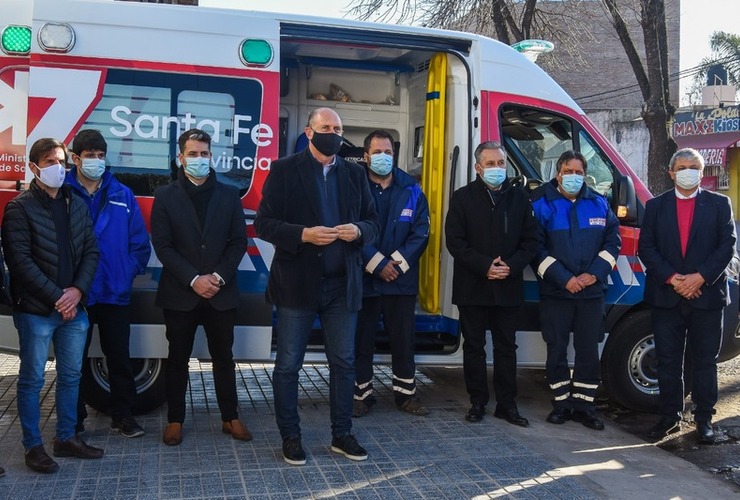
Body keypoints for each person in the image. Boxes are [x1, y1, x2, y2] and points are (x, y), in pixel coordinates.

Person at [254, 107, 379, 466]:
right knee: (289, 364)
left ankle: (342, 434)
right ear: (309, 132)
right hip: (297, 284)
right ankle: (290, 437)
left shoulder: (355, 173)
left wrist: (358, 231)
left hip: (342, 285)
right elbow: (264, 224)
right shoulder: (284, 170)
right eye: (326, 127)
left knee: (344, 363)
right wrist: (303, 235)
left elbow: (373, 223)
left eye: (338, 128)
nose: (333, 133)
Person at [2, 138, 102, 473]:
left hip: (73, 309)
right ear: (33, 167)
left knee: (71, 376)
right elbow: (20, 262)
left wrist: (77, 291)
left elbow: (91, 250)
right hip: (36, 311)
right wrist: (58, 297)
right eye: (49, 161)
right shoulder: (19, 208)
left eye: (61, 161)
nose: (57, 168)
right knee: (32, 379)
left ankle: (66, 438)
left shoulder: (76, 202)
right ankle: (33, 446)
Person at [151, 128, 251, 446]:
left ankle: (230, 417)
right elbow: (163, 246)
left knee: (224, 357)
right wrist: (194, 279)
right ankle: (175, 421)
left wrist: (217, 278)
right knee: (177, 358)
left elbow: (238, 243)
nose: (199, 159)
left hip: (221, 293)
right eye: (192, 154)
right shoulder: (165, 196)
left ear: (212, 156)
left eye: (204, 154)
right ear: (180, 158)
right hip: (181, 293)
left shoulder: (229, 194)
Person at [639, 148, 736, 443]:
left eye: (694, 166)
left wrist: (700, 278)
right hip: (666, 296)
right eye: (682, 166)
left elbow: (727, 246)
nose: (688, 171)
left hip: (706, 296)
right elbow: (647, 248)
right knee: (668, 360)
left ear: (702, 171)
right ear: (671, 172)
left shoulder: (720, 204)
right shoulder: (656, 207)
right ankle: (670, 416)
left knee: (706, 360)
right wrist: (672, 278)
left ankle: (704, 419)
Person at [444, 142, 539, 426]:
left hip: (508, 285)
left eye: (501, 163)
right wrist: (486, 265)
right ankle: (477, 402)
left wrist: (510, 266)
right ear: (478, 168)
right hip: (473, 286)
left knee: (506, 347)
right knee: (474, 347)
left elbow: (531, 241)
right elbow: (455, 243)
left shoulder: (520, 199)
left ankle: (507, 405)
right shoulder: (462, 199)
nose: (497, 169)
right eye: (491, 164)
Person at [67, 130, 151, 438]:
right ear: (76, 159)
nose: (96, 161)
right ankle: (72, 421)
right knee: (72, 361)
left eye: (101, 156)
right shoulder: (62, 192)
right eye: (90, 156)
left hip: (114, 291)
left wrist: (126, 272)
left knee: (119, 357)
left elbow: (139, 243)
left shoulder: (122, 194)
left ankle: (122, 416)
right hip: (77, 294)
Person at [530, 150, 620, 431]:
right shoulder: (540, 203)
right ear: (558, 174)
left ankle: (584, 405)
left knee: (587, 349)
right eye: (569, 171)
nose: (574, 177)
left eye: (579, 172)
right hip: (557, 292)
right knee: (556, 347)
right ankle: (561, 403)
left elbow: (612, 243)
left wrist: (593, 275)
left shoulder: (599, 203)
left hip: (591, 293)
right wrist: (564, 278)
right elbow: (535, 248)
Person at [352, 130, 430, 418]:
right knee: (362, 340)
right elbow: (351, 230)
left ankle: (406, 395)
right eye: (378, 152)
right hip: (365, 278)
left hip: (400, 280)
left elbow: (421, 232)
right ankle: (361, 396)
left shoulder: (411, 189)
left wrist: (393, 265)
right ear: (366, 156)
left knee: (403, 341)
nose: (383, 158)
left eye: (388, 153)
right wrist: (375, 263)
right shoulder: (355, 187)